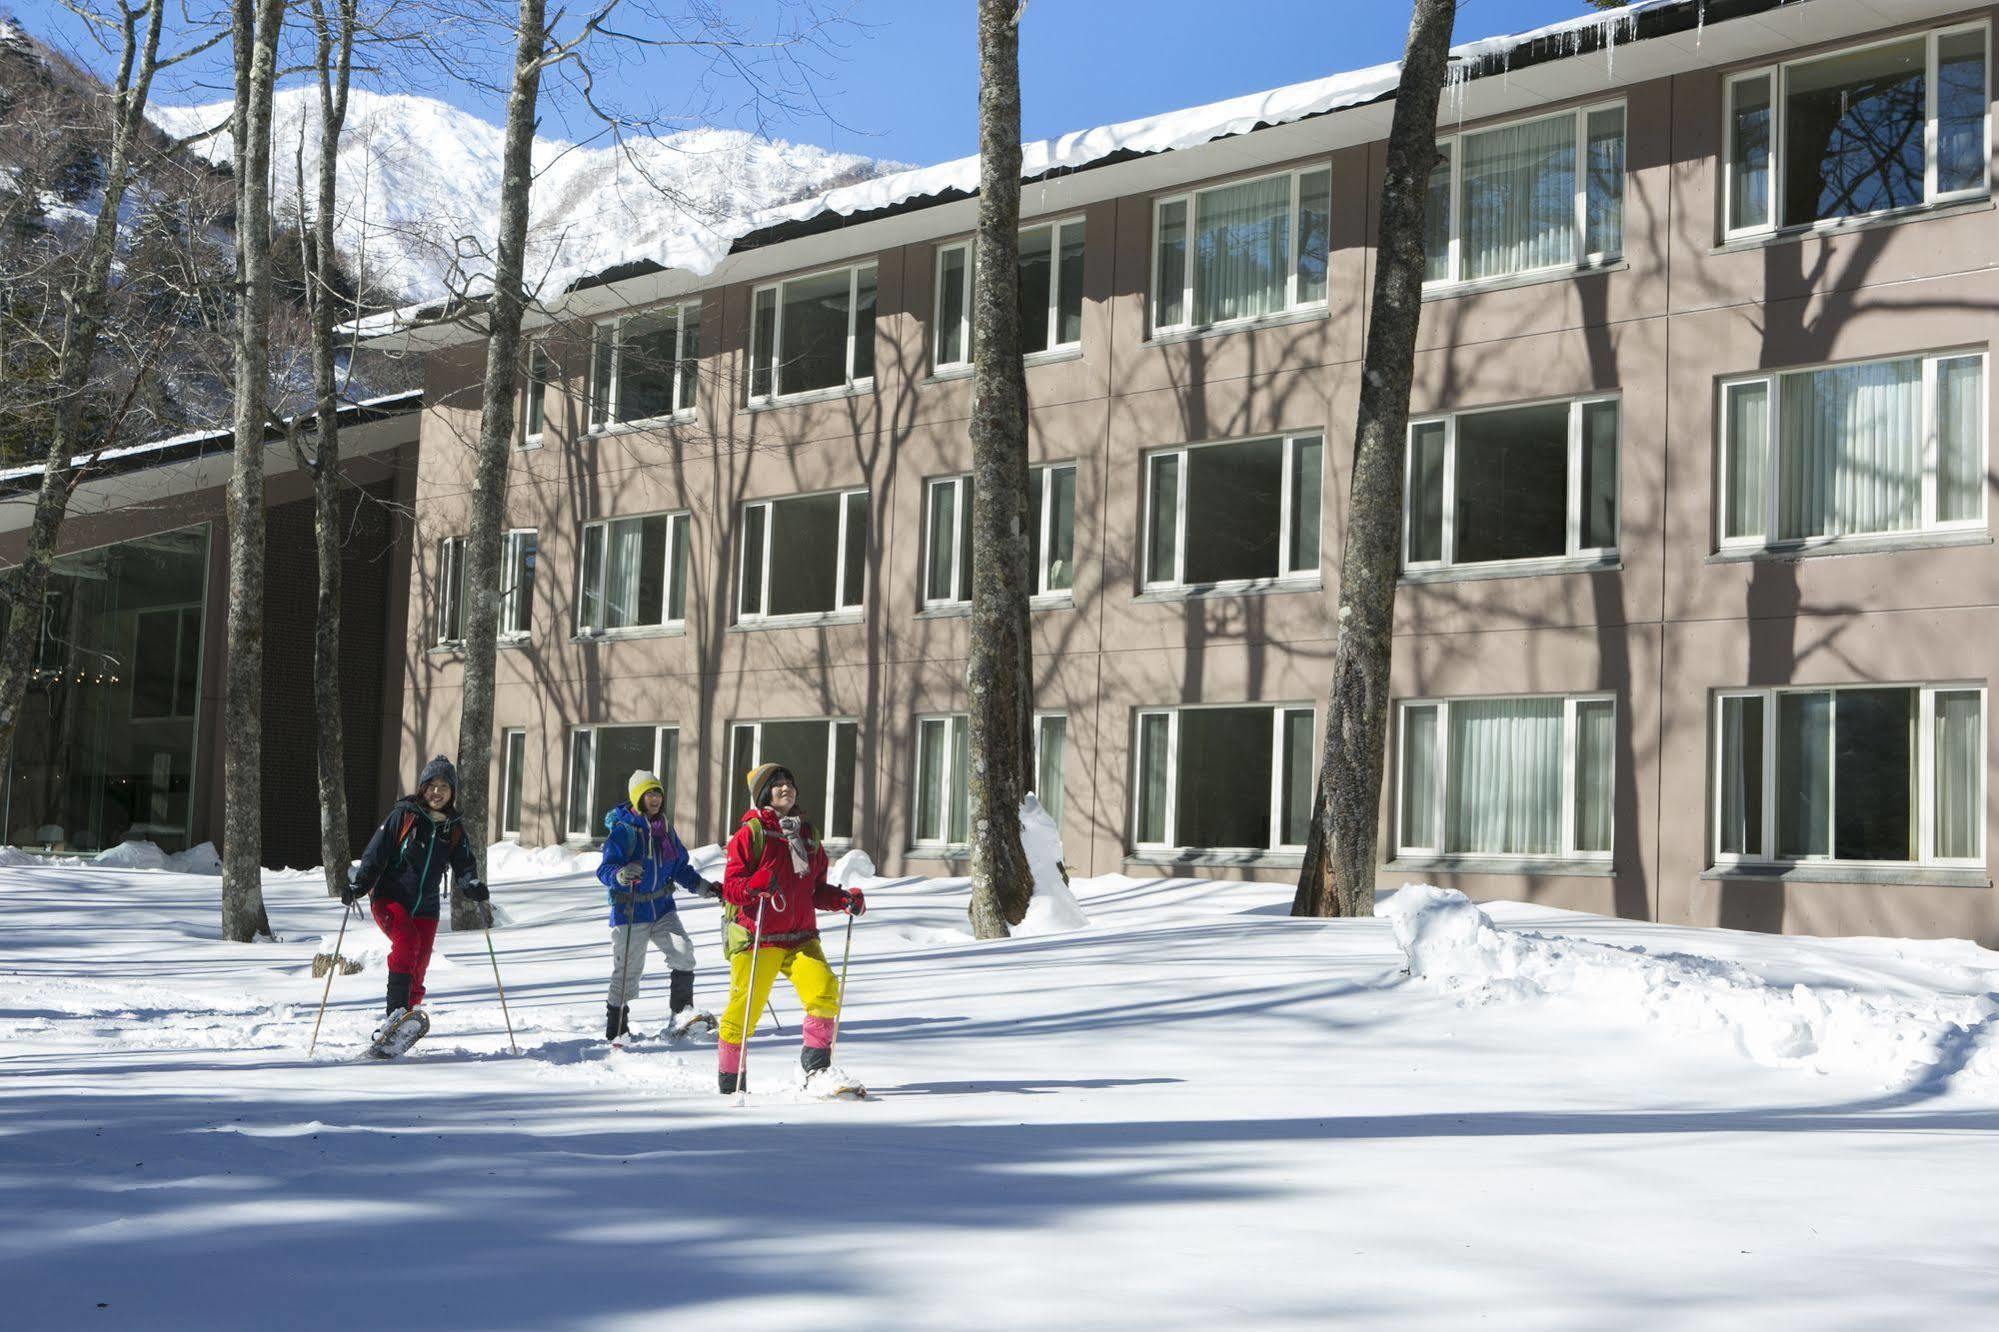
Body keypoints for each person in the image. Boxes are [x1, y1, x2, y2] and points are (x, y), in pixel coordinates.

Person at [716, 761, 865, 1095]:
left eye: (789, 782)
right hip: (759, 937)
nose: (785, 788)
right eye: (777, 783)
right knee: (743, 1014)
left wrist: (843, 900)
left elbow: (815, 889)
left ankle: (817, 1071)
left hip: (800, 937)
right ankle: (731, 1084)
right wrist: (755, 885)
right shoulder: (750, 834)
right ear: (764, 794)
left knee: (824, 989)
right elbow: (732, 887)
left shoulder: (807, 834)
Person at [344, 755, 489, 1036]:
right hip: (390, 897)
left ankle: (405, 1021)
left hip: (427, 904)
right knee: (407, 942)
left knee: (420, 963)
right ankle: (395, 1014)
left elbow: (465, 864)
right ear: (423, 788)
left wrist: (471, 883)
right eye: (432, 785)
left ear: (452, 793)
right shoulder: (405, 815)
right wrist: (359, 884)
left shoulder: (453, 827)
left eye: (444, 787)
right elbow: (376, 852)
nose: (437, 792)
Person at [597, 769, 719, 1043]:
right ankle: (616, 1030)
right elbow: (604, 869)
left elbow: (680, 868)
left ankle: (681, 1016)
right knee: (628, 971)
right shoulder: (623, 831)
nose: (655, 798)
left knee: (683, 951)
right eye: (649, 793)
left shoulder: (664, 829)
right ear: (637, 797)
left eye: (658, 793)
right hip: (630, 911)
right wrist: (620, 874)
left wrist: (703, 887)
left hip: (663, 908)